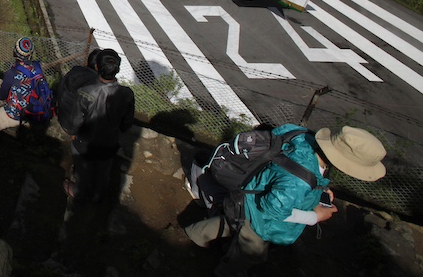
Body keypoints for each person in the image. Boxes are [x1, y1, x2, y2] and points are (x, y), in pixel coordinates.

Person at [184, 125, 387, 276]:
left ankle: (195, 234)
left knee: (229, 222)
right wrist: (314, 216)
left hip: (249, 194)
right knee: (251, 252)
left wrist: (321, 189)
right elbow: (273, 210)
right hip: (260, 221)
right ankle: (225, 271)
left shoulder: (302, 136)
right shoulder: (299, 182)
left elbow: (286, 169)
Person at [64, 48, 135, 205]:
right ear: (117, 69)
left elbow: (76, 120)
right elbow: (127, 122)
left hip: (86, 142)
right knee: (104, 171)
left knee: (83, 170)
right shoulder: (126, 94)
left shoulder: (85, 92)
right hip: (110, 142)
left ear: (96, 67)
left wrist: (74, 133)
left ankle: (79, 192)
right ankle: (98, 196)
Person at [0, 37, 48, 166]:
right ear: (31, 54)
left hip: (16, 114)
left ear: (15, 52)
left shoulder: (11, 73)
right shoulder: (37, 66)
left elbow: (2, 96)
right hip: (34, 111)